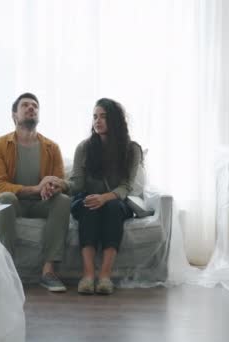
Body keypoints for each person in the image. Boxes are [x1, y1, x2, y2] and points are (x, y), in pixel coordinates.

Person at [0, 92, 71, 292]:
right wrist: (35, 188)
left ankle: (48, 271)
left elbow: (61, 181)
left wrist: (52, 187)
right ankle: (7, 270)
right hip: (14, 202)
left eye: (35, 106)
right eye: (25, 105)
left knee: (63, 200)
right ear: (14, 115)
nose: (31, 108)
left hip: (41, 203)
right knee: (6, 197)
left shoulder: (52, 147)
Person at [67, 98, 143, 295]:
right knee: (88, 205)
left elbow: (126, 186)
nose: (97, 121)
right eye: (94, 117)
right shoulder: (84, 148)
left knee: (112, 208)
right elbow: (77, 184)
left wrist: (105, 198)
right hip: (88, 197)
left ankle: (105, 276)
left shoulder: (131, 149)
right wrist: (60, 184)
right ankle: (88, 275)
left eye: (103, 117)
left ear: (116, 121)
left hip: (115, 201)